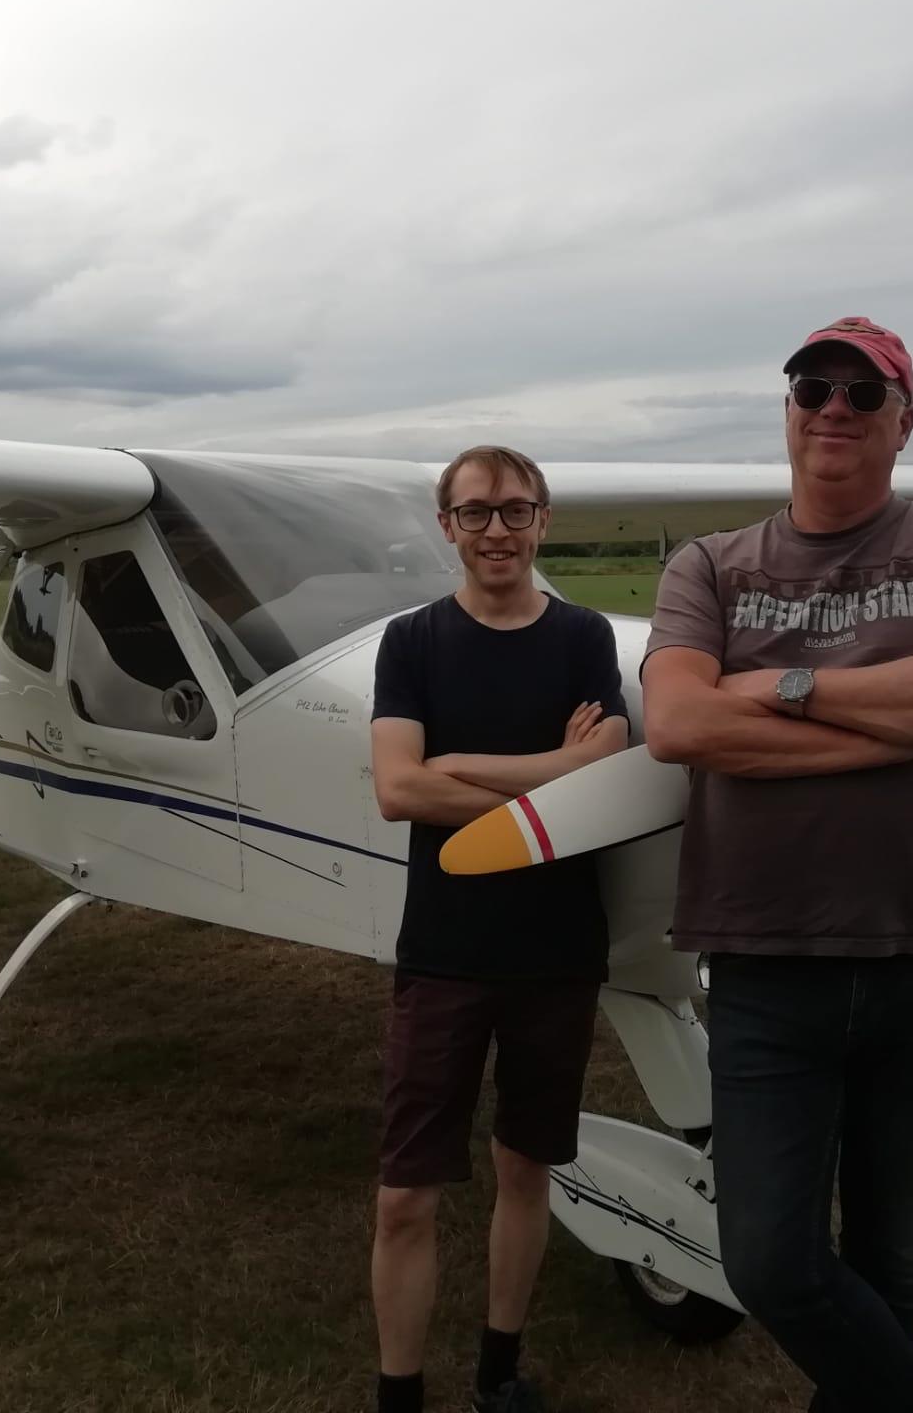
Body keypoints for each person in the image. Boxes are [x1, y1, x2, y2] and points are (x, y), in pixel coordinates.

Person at [642, 318, 913, 1413]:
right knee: (768, 1261)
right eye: (813, 385)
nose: (833, 407)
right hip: (763, 959)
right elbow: (676, 725)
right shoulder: (708, 564)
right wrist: (901, 715)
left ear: (904, 422)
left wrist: (775, 686)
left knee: (893, 1254)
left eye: (864, 393)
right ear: (787, 410)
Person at [369, 444, 629, 1413]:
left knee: (525, 1170)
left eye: (514, 511)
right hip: (443, 953)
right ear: (446, 527)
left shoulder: (583, 639)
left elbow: (608, 768)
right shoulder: (412, 644)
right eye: (474, 513)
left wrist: (465, 765)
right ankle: (398, 1394)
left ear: (541, 521)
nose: (495, 531)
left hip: (556, 953)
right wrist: (549, 770)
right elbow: (397, 790)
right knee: (405, 1196)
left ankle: (497, 1373)